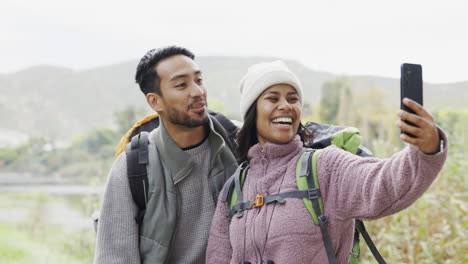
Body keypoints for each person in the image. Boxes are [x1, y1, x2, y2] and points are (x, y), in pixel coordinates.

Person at [206, 60, 448, 263]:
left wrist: (425, 149)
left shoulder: (325, 166)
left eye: (293, 99)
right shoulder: (235, 187)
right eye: (272, 98)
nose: (286, 106)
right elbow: (218, 257)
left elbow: (384, 182)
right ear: (252, 111)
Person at [94, 46, 238, 263]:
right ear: (155, 101)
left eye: (199, 80)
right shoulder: (130, 169)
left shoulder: (239, 142)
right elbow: (115, 257)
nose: (198, 92)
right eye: (181, 85)